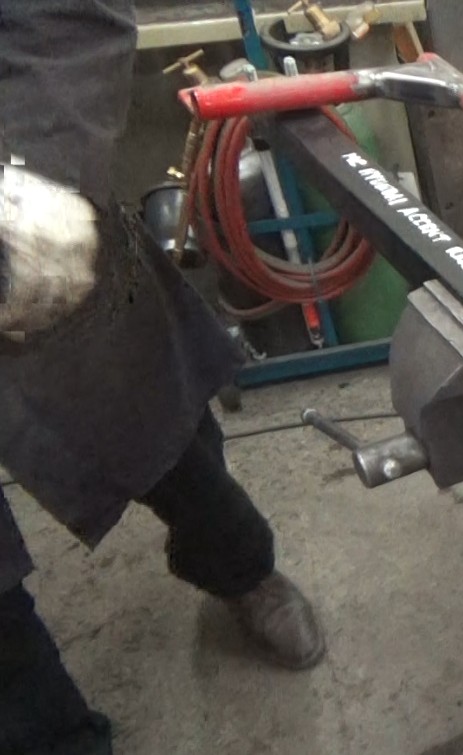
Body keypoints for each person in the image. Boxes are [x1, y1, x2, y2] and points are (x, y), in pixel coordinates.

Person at [0, 2, 326, 753]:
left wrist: (39, 181)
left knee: (157, 426)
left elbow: (58, 15)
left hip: (25, 217)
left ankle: (239, 565)